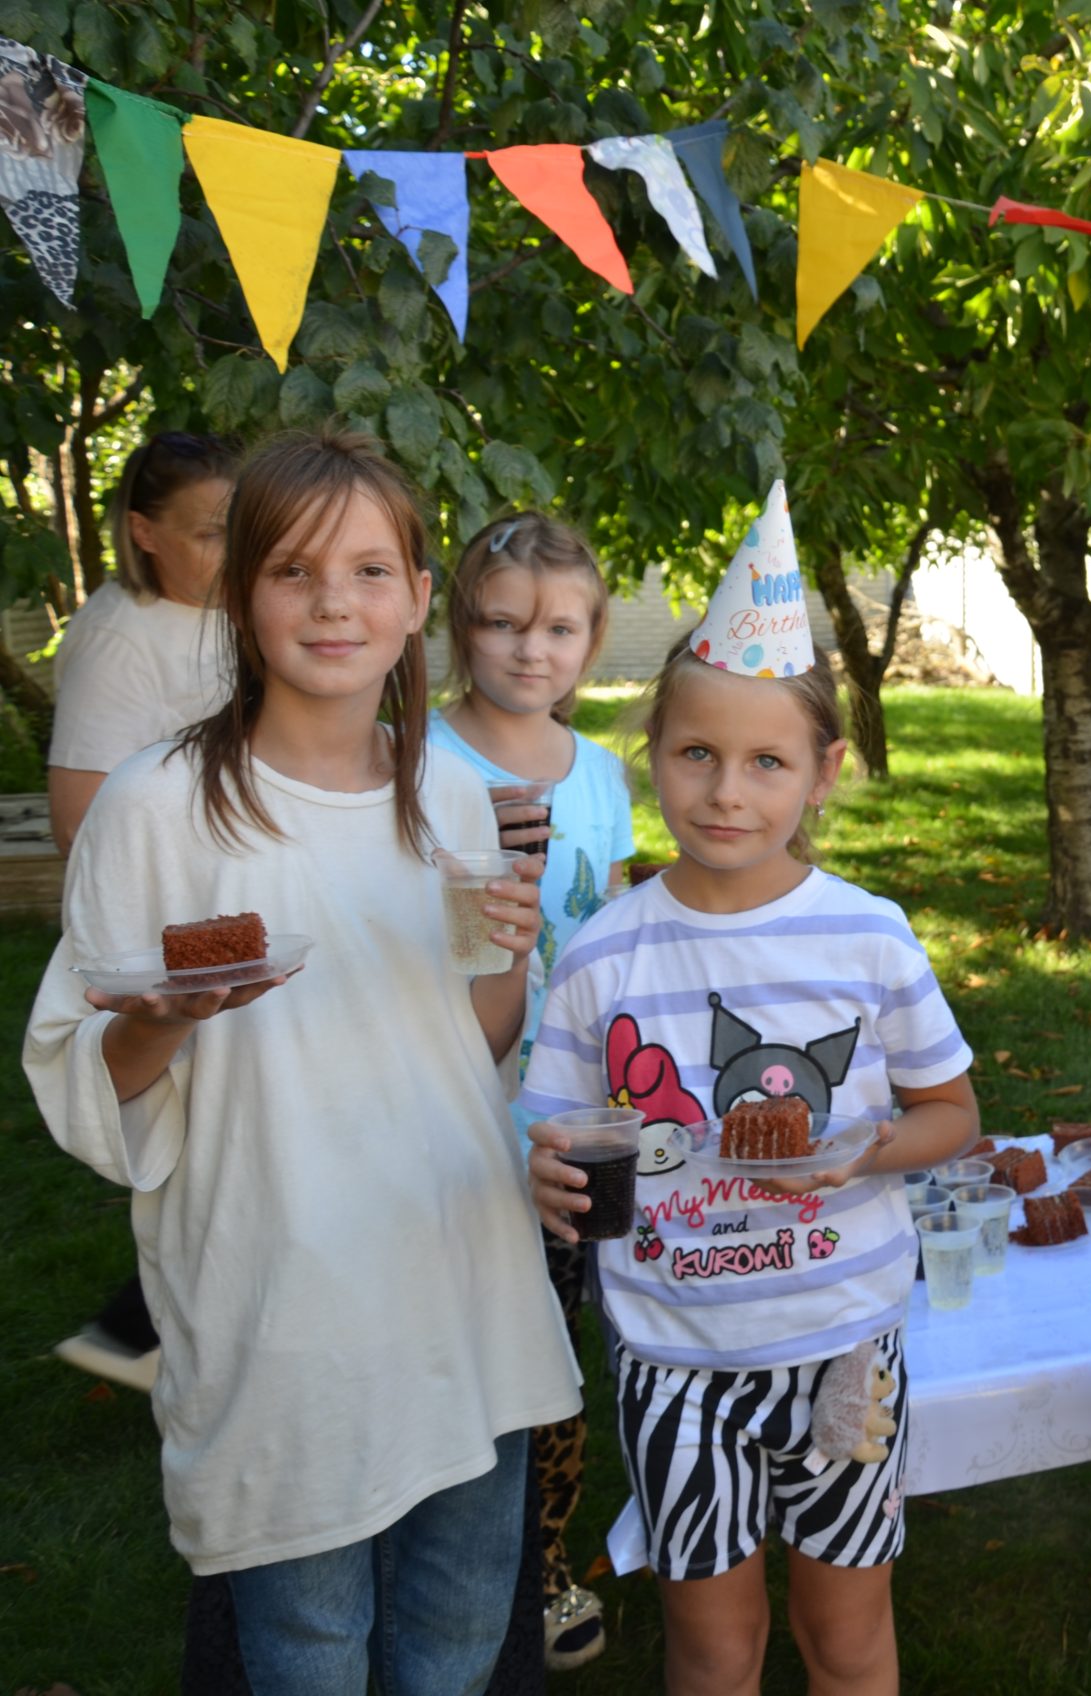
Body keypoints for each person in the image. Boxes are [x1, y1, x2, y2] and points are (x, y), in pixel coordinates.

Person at [20, 428, 577, 1690]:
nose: (335, 602)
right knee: (310, 1650)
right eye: (294, 570)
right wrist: (168, 1013)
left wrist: (508, 948)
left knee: (454, 1644)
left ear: (418, 598)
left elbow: (473, 1043)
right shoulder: (157, 809)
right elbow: (83, 1081)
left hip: (459, 1280)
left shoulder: (449, 797)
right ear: (240, 594)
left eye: (371, 571)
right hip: (284, 1307)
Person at [523, 483, 980, 1696]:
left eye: (767, 761)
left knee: (846, 1637)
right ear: (654, 756)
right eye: (697, 754)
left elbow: (952, 1116)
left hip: (843, 1344)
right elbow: (552, 1129)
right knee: (715, 1648)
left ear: (824, 772)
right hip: (674, 1355)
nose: (727, 791)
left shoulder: (869, 937)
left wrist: (864, 1152)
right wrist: (549, 1172)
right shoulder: (604, 955)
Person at [426, 511, 633, 1674]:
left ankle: (543, 1565)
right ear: (463, 626)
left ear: (591, 640)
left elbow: (612, 925)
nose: (529, 649)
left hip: (570, 1120)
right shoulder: (416, 762)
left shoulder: (597, 771)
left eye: (558, 629)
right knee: (463, 1350)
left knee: (556, 1350)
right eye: (503, 623)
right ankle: (441, 1557)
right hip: (455, 1111)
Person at [45, 429, 237, 1391]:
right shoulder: (122, 638)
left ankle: (162, 1330)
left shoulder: (226, 610)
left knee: (237, 1137)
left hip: (239, 926)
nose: (232, 551)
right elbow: (79, 818)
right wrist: (167, 941)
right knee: (203, 1145)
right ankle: (142, 1332)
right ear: (143, 532)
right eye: (209, 532)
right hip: (182, 942)